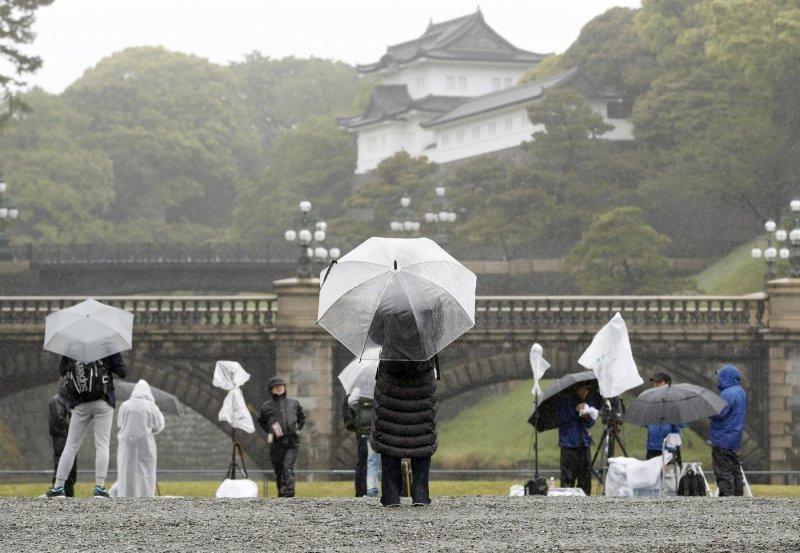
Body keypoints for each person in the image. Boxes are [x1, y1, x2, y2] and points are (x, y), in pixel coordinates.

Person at [45, 353, 127, 498]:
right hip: (103, 400)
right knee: (102, 444)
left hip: (80, 402)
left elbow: (62, 371)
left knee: (71, 445)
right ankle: (99, 488)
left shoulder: (72, 345)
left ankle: (58, 487)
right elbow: (123, 372)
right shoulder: (107, 343)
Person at [371, 357, 438, 507]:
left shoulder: (389, 333)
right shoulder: (425, 334)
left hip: (390, 381)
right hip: (421, 383)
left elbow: (374, 336)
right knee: (421, 438)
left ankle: (391, 496)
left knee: (389, 437)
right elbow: (437, 335)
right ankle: (421, 495)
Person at [113, 379, 165, 497]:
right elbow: (160, 425)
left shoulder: (125, 405)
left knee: (127, 472)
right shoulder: (151, 407)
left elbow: (120, 423)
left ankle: (126, 495)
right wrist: (150, 430)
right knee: (145, 473)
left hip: (126, 446)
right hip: (145, 446)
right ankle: (145, 496)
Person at [258, 376, 306, 498]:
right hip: (276, 443)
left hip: (292, 442)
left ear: (285, 387)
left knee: (287, 468)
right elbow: (261, 421)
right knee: (279, 470)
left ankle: (288, 495)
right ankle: (282, 494)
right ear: (271, 390)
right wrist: (270, 431)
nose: (279, 388)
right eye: (276, 386)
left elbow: (302, 418)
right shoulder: (266, 407)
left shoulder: (294, 403)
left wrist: (297, 429)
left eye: (281, 386)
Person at [708, 364, 748, 496]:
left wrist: (709, 409)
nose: (718, 380)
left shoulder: (727, 394)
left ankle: (727, 500)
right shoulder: (741, 392)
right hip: (735, 438)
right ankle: (737, 498)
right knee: (735, 470)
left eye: (720, 377)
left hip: (722, 438)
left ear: (726, 378)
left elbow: (719, 413)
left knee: (723, 471)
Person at [555, 383, 598, 496]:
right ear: (577, 389)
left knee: (585, 479)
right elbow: (559, 418)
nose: (586, 392)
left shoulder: (587, 401)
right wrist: (575, 410)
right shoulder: (564, 400)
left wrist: (587, 416)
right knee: (567, 480)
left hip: (584, 443)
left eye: (588, 389)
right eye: (584, 389)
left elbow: (590, 423)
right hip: (568, 445)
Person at [343, 388, 381, 497]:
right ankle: (388, 490)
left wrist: (360, 410)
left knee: (369, 460)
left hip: (366, 426)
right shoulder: (383, 383)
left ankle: (371, 489)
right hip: (382, 424)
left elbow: (351, 401)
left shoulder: (362, 386)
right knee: (383, 460)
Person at [645, 372, 683, 462]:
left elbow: (678, 425)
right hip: (652, 446)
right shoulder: (651, 400)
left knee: (669, 475)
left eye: (659, 382)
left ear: (667, 383)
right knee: (651, 475)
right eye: (655, 383)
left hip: (668, 447)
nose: (656, 385)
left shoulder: (674, 400)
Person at [48, 379, 77, 497]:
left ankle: (67, 493)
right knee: (61, 464)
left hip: (68, 437)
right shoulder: (57, 401)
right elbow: (59, 419)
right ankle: (60, 490)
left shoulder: (66, 401)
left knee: (71, 470)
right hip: (61, 438)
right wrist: (74, 426)